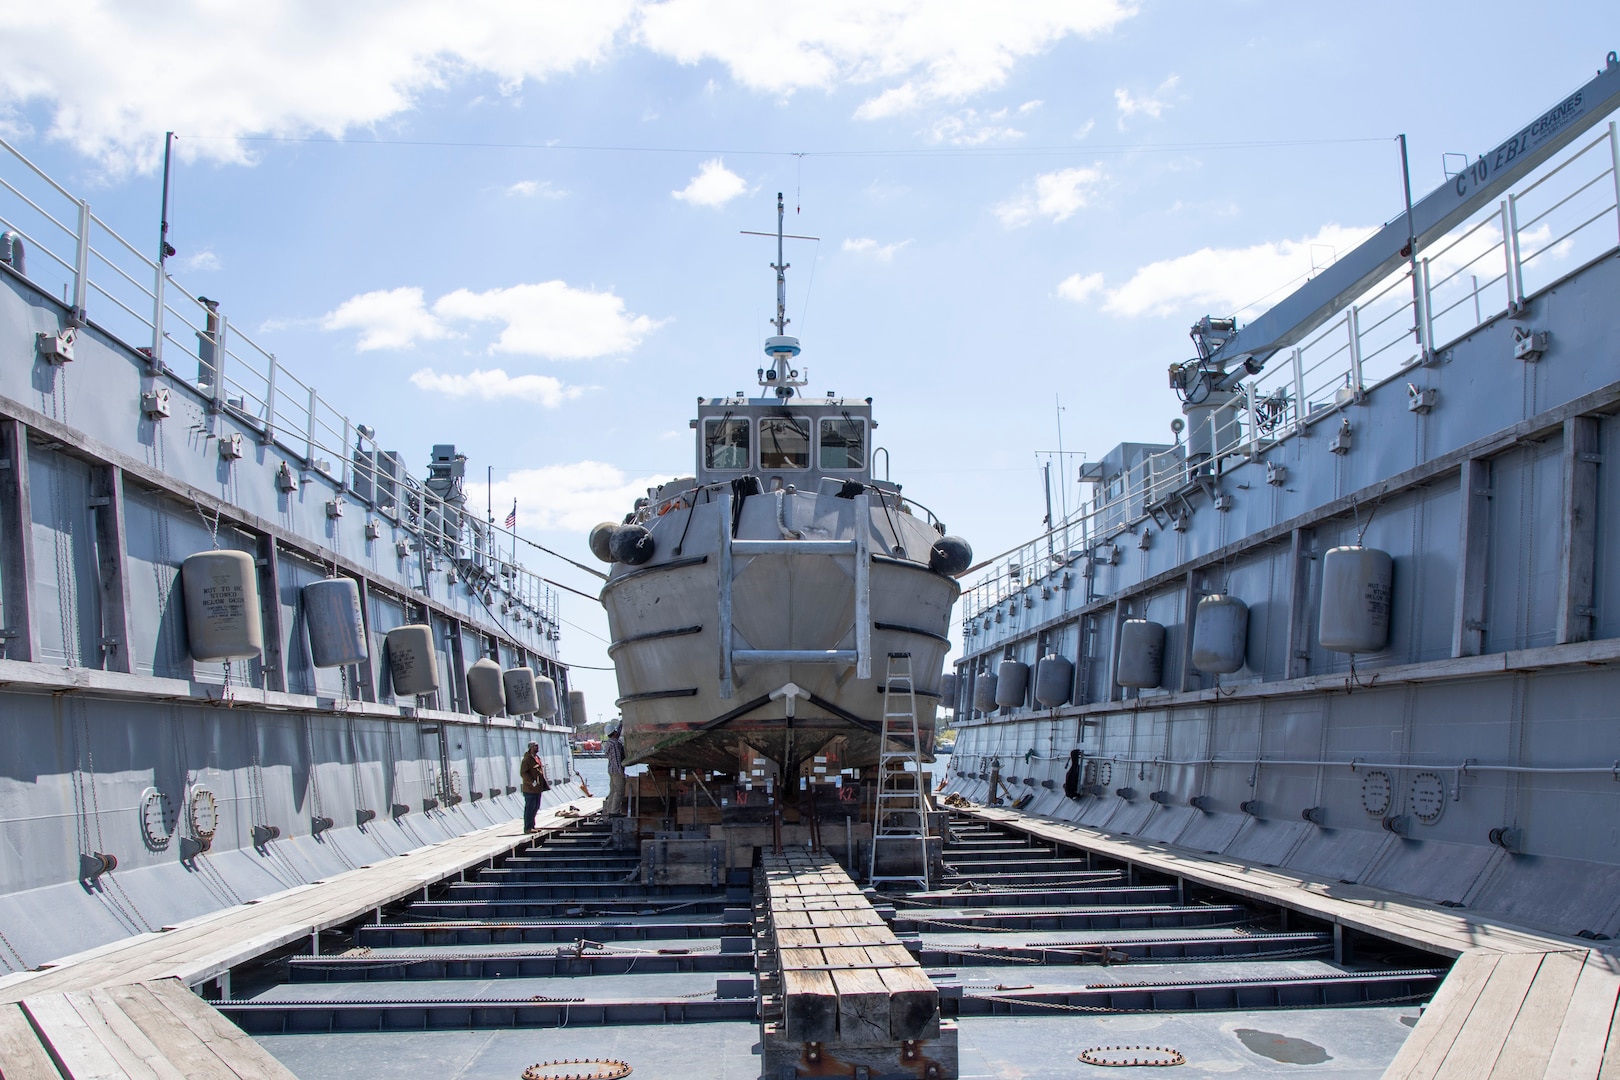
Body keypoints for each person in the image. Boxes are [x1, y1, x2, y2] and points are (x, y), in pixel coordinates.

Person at [520, 741, 548, 832]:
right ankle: (528, 828)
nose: (537, 748)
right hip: (530, 789)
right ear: (531, 748)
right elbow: (523, 773)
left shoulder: (536, 758)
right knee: (530, 808)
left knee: (535, 807)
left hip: (537, 789)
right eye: (535, 746)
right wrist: (532, 782)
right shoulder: (527, 759)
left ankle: (532, 826)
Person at [604, 726, 626, 817]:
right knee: (619, 791)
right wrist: (621, 772)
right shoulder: (615, 744)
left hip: (611, 770)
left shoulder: (608, 743)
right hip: (617, 771)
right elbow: (617, 759)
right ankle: (615, 812)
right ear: (614, 732)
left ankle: (609, 811)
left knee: (612, 791)